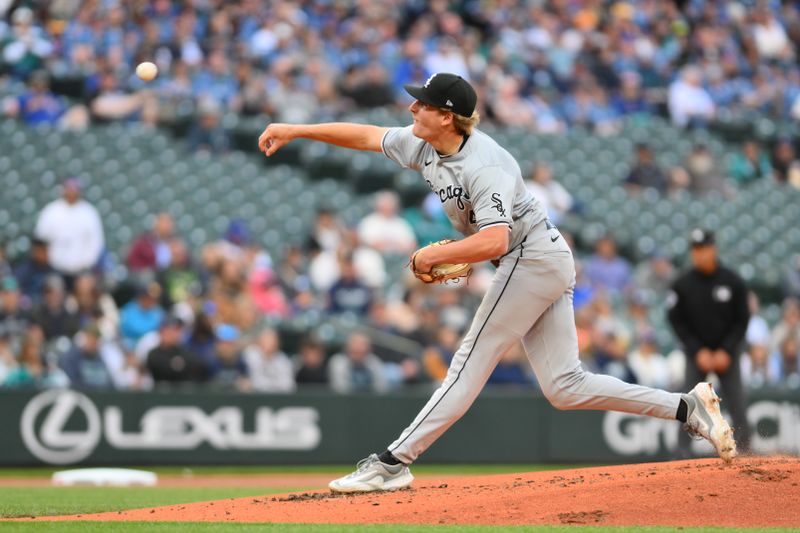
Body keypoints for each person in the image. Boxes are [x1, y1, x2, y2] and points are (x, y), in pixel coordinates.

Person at [258, 72, 735, 494]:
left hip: (530, 257)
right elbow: (366, 136)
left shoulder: (486, 165)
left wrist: (436, 252)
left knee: (469, 360)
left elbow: (493, 241)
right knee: (565, 386)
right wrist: (298, 129)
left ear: (447, 117)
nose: (411, 107)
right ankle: (685, 407)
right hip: (540, 257)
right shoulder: (424, 143)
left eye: (421, 103)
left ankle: (392, 463)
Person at [667, 229, 751, 454]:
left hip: (727, 354)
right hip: (697, 355)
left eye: (703, 248)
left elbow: (742, 320)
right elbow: (677, 322)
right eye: (695, 249)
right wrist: (697, 350)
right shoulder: (682, 284)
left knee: (737, 404)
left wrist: (726, 350)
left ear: (713, 248)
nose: (699, 254)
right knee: (687, 404)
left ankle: (745, 453)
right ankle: (681, 455)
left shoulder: (733, 281)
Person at [34, 178, 104, 283]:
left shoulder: (89, 213)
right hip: (54, 268)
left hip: (81, 270)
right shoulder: (51, 211)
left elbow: (96, 243)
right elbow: (41, 239)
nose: (71, 192)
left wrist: (87, 263)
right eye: (69, 189)